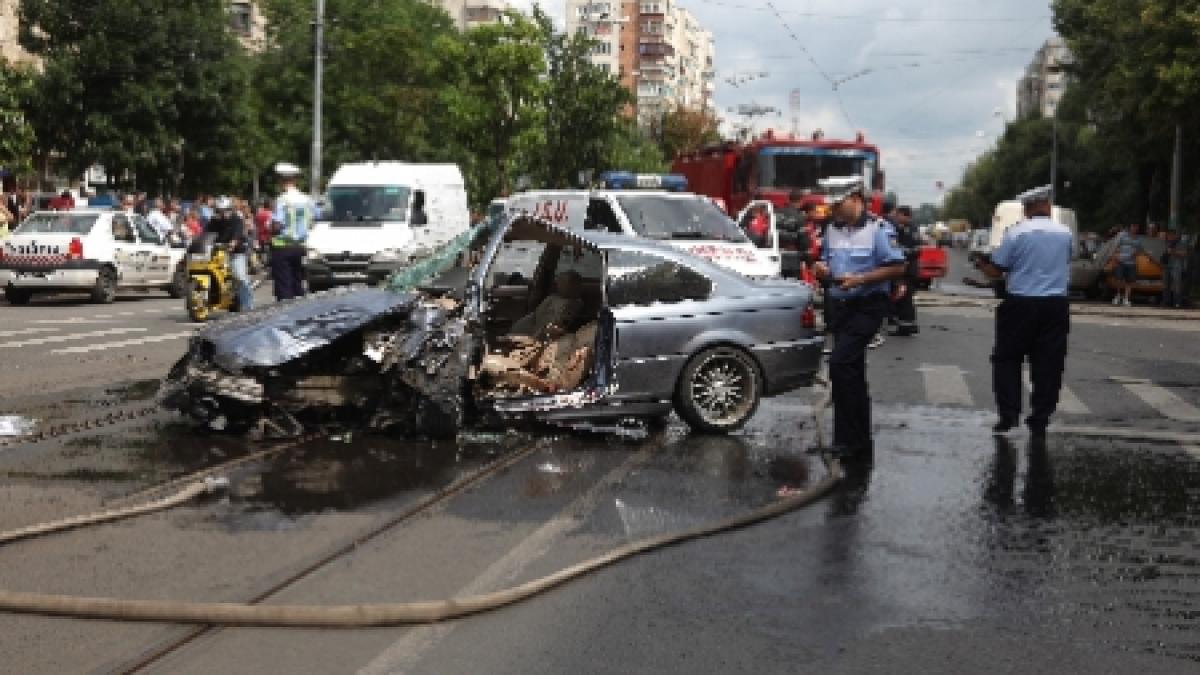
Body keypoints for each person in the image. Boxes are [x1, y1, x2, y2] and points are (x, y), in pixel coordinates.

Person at [812, 177, 906, 460]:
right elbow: (826, 260)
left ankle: (853, 439)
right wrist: (822, 269)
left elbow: (898, 266)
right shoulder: (831, 230)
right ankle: (852, 439)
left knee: (840, 363)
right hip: (840, 306)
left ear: (856, 198)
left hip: (868, 305)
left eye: (839, 205)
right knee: (850, 373)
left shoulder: (879, 229)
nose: (834, 211)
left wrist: (862, 279)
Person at [973, 185, 1072, 438]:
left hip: (1020, 304)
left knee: (1007, 359)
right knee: (1049, 363)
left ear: (1027, 208)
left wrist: (982, 265)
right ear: (1047, 206)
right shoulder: (1065, 234)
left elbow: (998, 269)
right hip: (1055, 306)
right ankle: (1040, 418)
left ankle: (1009, 416)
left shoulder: (1016, 233)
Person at [270, 162, 315, 301]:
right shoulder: (307, 199)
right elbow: (313, 220)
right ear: (295, 180)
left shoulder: (282, 199)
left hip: (282, 246)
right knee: (298, 284)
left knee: (284, 288)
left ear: (282, 181)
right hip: (300, 247)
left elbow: (277, 225)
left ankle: (285, 317)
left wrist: (271, 227)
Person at [205, 196, 253, 311]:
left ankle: (248, 306)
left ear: (230, 209)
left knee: (240, 277)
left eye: (225, 210)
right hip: (218, 250)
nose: (223, 213)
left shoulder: (237, 219)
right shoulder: (214, 220)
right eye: (219, 210)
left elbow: (237, 233)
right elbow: (206, 233)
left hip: (236, 251)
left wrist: (233, 242)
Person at [508, 270, 584, 339]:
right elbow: (535, 316)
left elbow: (555, 326)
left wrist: (536, 336)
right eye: (559, 281)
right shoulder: (552, 298)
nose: (558, 284)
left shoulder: (571, 305)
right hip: (533, 331)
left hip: (541, 337)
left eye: (562, 282)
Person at [889, 206, 922, 336]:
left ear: (904, 215)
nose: (896, 218)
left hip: (907, 267)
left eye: (898, 215)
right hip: (908, 266)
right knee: (905, 297)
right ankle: (907, 325)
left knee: (904, 297)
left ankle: (906, 326)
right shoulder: (908, 228)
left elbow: (913, 250)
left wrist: (897, 250)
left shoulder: (908, 229)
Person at [1110, 223, 1142, 307]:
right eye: (1133, 226)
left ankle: (1126, 298)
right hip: (1120, 260)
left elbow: (1139, 250)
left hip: (1131, 262)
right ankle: (1118, 296)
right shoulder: (1122, 235)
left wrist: (1135, 254)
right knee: (1119, 279)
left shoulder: (1138, 239)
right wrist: (1115, 256)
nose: (1135, 228)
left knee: (1129, 281)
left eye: (1136, 227)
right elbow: (1115, 245)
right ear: (1130, 227)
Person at [1162, 228, 1189, 308]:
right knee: (1166, 285)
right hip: (1166, 265)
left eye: (1171, 235)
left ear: (1175, 235)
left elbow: (1184, 253)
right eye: (1169, 235)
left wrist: (1173, 252)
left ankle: (1177, 302)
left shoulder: (1181, 243)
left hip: (1176, 266)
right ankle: (1166, 302)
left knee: (1177, 285)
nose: (1170, 236)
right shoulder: (1166, 242)